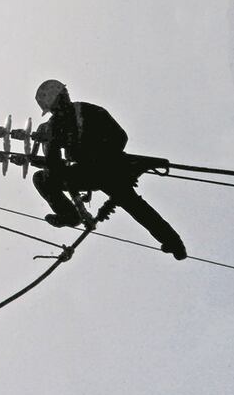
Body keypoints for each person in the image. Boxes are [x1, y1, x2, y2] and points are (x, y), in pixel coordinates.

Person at [30, 79, 186, 260]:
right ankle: (70, 215)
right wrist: (52, 165)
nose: (57, 110)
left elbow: (120, 137)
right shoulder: (57, 125)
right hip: (93, 171)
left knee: (134, 206)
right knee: (42, 178)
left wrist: (98, 158)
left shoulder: (88, 112)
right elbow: (54, 164)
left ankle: (174, 243)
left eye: (56, 104)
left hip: (109, 168)